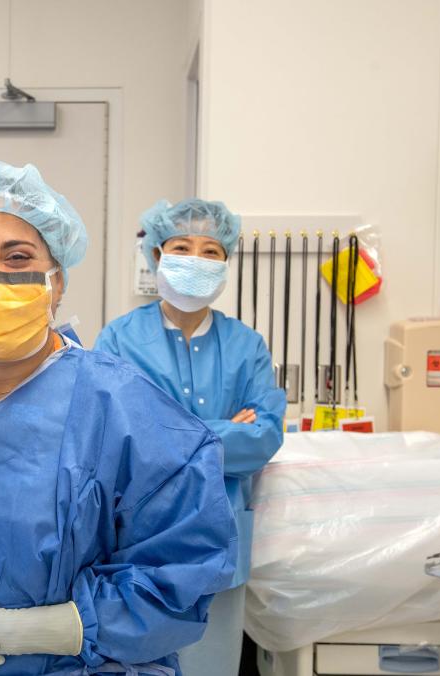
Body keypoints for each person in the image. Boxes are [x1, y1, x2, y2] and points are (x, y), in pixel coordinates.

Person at [0, 162, 238, 675]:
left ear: (57, 281)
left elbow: (182, 573)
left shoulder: (128, 412)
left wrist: (42, 630)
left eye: (18, 257)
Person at [95, 198, 286, 676]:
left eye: (211, 251)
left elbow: (264, 437)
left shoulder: (247, 345)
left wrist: (167, 433)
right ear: (158, 256)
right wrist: (224, 433)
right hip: (139, 542)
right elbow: (117, 438)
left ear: (226, 263)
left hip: (221, 540)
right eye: (182, 247)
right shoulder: (118, 339)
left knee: (212, 664)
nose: (197, 260)